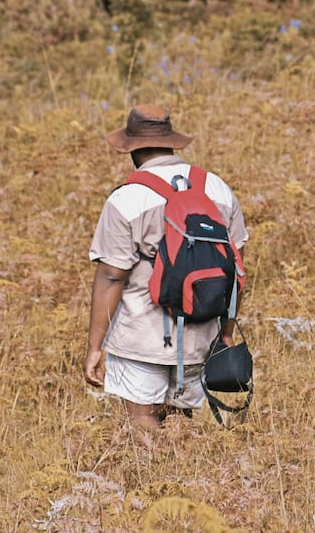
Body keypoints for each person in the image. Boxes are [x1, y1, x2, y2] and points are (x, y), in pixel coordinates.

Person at [83, 104, 248, 429]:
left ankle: (154, 477)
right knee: (181, 426)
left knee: (143, 423)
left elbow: (112, 276)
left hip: (140, 338)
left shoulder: (127, 198)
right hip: (202, 333)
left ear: (131, 148)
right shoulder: (217, 189)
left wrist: (94, 346)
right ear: (171, 141)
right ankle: (181, 478)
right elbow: (237, 272)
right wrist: (225, 333)